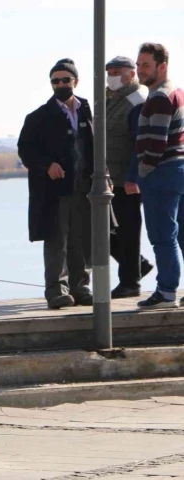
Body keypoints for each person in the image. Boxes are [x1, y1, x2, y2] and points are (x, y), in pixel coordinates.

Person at [18, 58, 94, 310]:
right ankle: (56, 290)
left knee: (81, 239)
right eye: (55, 81)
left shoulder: (86, 110)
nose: (60, 84)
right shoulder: (39, 116)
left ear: (76, 81)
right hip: (55, 191)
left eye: (65, 80)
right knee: (56, 240)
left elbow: (95, 145)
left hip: (85, 187)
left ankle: (80, 286)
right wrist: (47, 164)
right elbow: (25, 149)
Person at [134, 43, 184, 309]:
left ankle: (166, 292)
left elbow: (156, 142)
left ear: (161, 66)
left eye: (146, 65)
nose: (139, 70)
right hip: (178, 169)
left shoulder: (160, 97)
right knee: (180, 234)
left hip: (162, 172)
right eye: (138, 64)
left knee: (163, 236)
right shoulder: (177, 92)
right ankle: (170, 289)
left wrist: (144, 172)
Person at [105, 55, 154, 298]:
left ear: (131, 74)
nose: (111, 76)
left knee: (128, 230)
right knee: (101, 230)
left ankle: (130, 283)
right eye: (109, 71)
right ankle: (137, 266)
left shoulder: (137, 101)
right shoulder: (109, 98)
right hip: (107, 179)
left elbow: (139, 144)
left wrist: (134, 177)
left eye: (117, 72)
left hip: (127, 179)